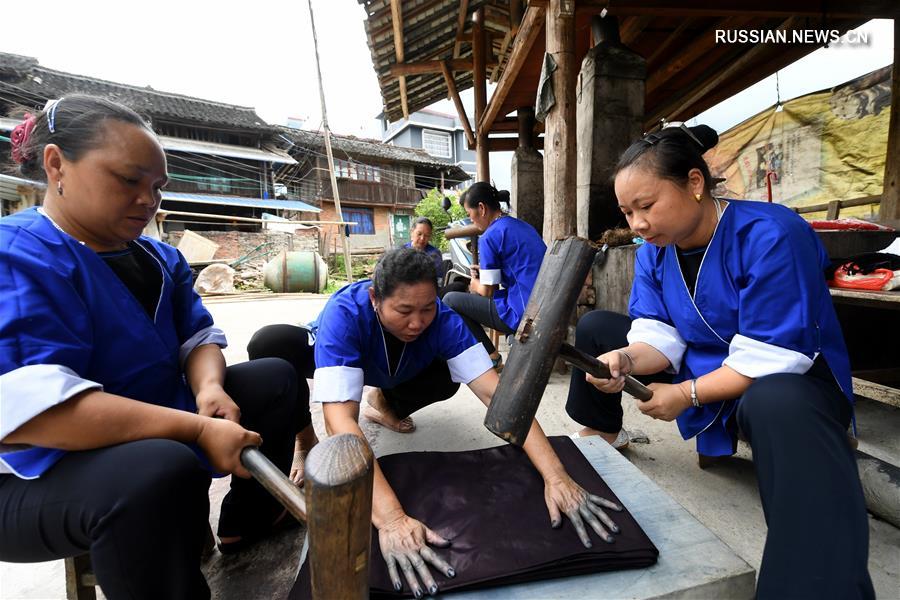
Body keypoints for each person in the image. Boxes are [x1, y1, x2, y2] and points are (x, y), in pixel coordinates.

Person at [0, 95, 302, 599]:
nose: (148, 199)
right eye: (128, 179)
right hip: (38, 471)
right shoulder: (18, 255)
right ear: (57, 165)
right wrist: (197, 427)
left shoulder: (159, 256)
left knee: (274, 379)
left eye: (157, 186)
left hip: (152, 426)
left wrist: (208, 389)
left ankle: (243, 527)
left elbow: (198, 337)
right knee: (159, 468)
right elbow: (40, 412)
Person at [566, 123, 874, 598]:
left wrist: (685, 395)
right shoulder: (654, 251)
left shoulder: (771, 233)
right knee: (597, 335)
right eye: (628, 212)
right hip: (708, 363)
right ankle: (601, 435)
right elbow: (658, 336)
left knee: (778, 403)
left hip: (789, 378)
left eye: (646, 206)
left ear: (693, 183)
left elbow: (773, 355)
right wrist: (625, 360)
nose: (639, 225)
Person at [249, 247, 623, 598]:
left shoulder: (443, 320)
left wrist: (556, 475)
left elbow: (501, 397)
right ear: (374, 299)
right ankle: (303, 440)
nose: (417, 322)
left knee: (449, 377)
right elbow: (341, 421)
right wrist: (392, 519)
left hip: (400, 370)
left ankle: (386, 400)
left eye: (426, 308)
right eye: (404, 310)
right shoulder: (344, 314)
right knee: (271, 343)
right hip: (351, 362)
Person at [443, 182, 546, 368]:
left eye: (469, 214)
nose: (471, 220)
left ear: (481, 208)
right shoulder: (521, 225)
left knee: (450, 300)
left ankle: (492, 356)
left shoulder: (490, 236)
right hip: (544, 304)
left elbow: (487, 291)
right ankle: (506, 343)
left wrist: (473, 283)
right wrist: (483, 274)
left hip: (525, 313)